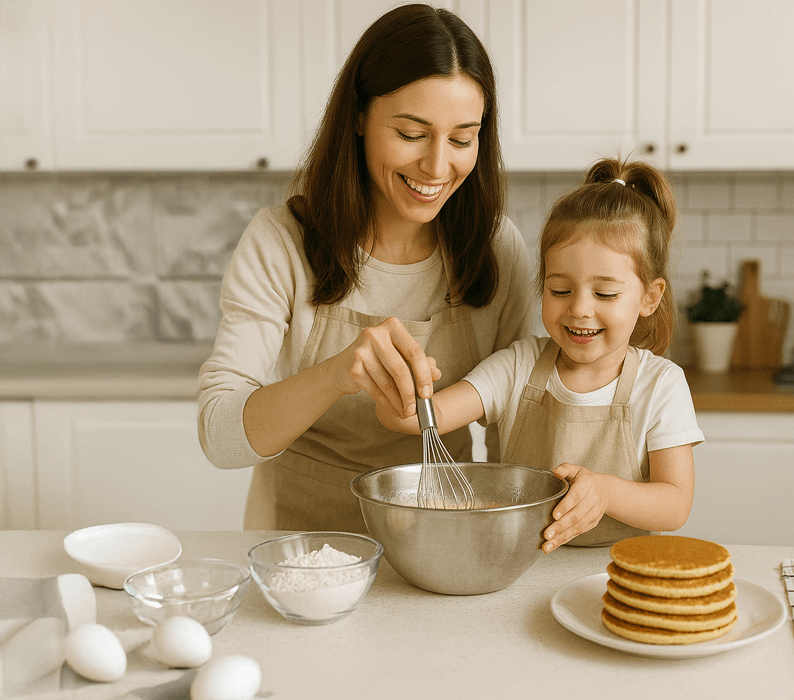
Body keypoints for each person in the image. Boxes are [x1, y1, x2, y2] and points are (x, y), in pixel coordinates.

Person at [197, 4, 534, 532]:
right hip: (301, 543)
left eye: (462, 138)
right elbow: (219, 437)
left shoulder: (496, 248)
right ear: (358, 116)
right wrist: (338, 372)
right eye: (411, 133)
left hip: (444, 537)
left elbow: (518, 419)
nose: (437, 166)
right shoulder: (281, 242)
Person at [378, 156, 704, 552]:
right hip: (517, 566)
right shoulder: (518, 366)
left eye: (605, 293)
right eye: (560, 290)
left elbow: (675, 504)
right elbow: (430, 416)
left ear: (649, 297)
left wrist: (605, 492)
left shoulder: (660, 385)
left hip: (615, 573)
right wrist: (401, 396)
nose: (580, 308)